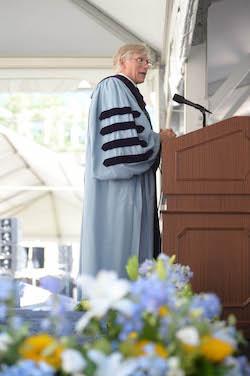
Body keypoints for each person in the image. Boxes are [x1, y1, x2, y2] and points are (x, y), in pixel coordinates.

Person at [79, 44, 175, 280]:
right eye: (140, 60)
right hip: (120, 189)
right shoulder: (113, 86)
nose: (146, 66)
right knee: (119, 247)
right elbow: (122, 146)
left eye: (148, 62)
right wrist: (157, 138)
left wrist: (154, 139)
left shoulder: (127, 90)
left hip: (134, 187)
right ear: (122, 61)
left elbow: (130, 134)